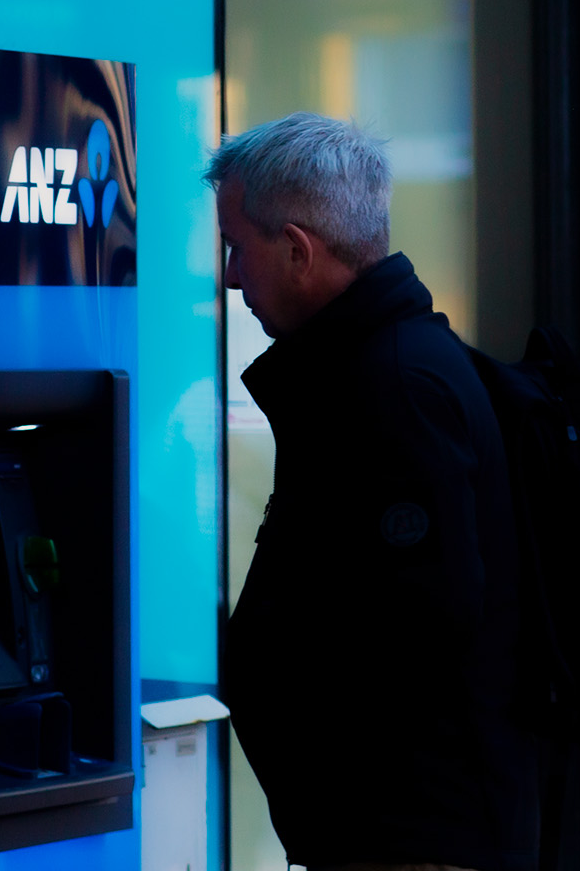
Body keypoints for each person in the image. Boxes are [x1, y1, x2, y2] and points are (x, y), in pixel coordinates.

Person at [209, 113, 538, 871]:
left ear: (297, 250)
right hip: (393, 829)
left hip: (412, 838)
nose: (230, 275)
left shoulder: (394, 386)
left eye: (238, 247)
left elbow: (419, 622)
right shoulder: (377, 368)